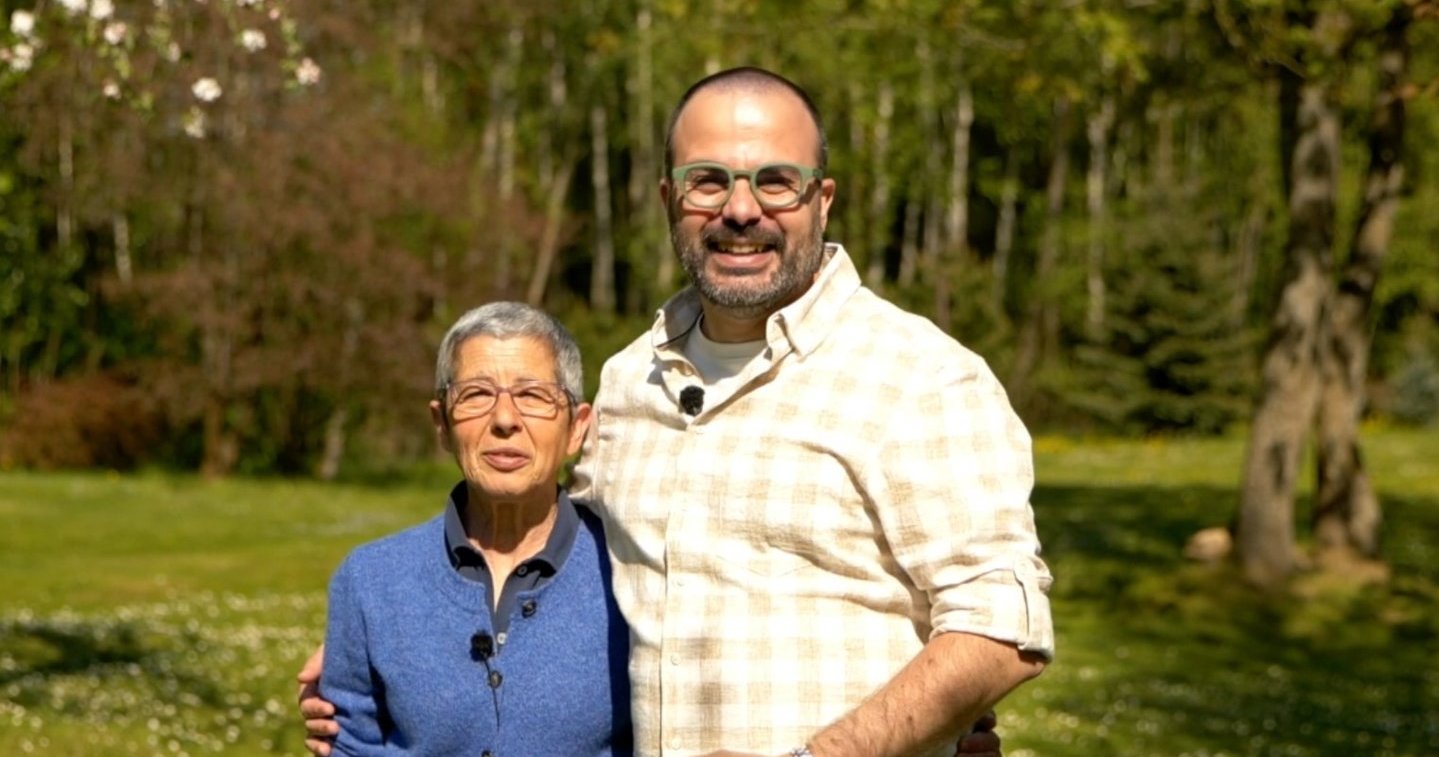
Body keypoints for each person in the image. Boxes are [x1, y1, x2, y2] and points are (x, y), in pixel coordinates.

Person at [302, 66, 1051, 757]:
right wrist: (397, 643)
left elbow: (999, 627)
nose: (739, 210)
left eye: (775, 181)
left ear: (821, 198)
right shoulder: (632, 380)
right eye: (707, 181)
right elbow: (551, 549)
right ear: (669, 198)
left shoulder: (919, 376)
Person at [317, 302, 632, 755]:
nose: (505, 420)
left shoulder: (629, 574)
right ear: (441, 424)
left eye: (533, 395)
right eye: (477, 394)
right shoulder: (370, 581)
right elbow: (349, 745)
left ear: (576, 429)